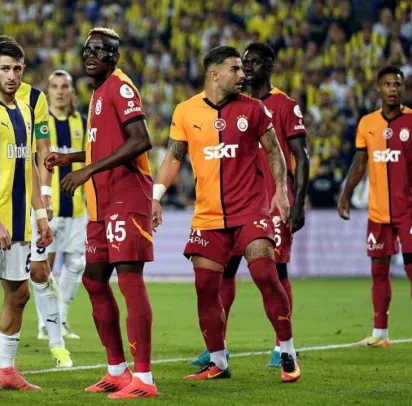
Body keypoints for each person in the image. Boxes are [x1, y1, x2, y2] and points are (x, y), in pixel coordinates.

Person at [151, 46, 301, 383]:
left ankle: (287, 351)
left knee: (266, 274)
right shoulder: (186, 111)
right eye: (235, 69)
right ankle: (218, 362)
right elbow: (173, 157)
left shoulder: (254, 109)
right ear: (214, 73)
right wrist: (155, 197)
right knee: (206, 288)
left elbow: (274, 151)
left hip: (250, 210)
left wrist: (280, 190)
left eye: (242, 69)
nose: (242, 74)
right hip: (208, 216)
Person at [46, 27, 158, 399]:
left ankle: (144, 378)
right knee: (94, 280)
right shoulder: (97, 92)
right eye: (87, 49)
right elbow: (106, 145)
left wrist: (87, 170)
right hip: (101, 204)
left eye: (100, 50)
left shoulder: (120, 87)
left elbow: (141, 140)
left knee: (129, 281)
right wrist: (73, 158)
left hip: (127, 197)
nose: (91, 55)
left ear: (114, 56)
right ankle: (117, 371)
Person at [0, 35, 72, 370]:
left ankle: (5, 370)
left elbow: (30, 166)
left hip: (19, 219)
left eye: (17, 69)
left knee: (19, 293)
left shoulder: (26, 109)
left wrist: (41, 215)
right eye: (5, 68)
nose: (11, 75)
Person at [191, 42, 310, 368]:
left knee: (275, 271)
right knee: (224, 273)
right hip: (234, 204)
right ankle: (218, 346)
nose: (248, 69)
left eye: (256, 63)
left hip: (271, 204)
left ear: (270, 66)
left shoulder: (285, 105)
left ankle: (282, 347)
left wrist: (297, 202)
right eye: (244, 63)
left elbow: (301, 156)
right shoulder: (229, 104)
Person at [337, 66, 412, 351]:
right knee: (378, 270)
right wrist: (346, 194)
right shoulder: (367, 123)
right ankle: (379, 332)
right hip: (378, 212)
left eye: (397, 84)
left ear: (403, 88)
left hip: (409, 209)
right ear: (378, 89)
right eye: (387, 84)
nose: (393, 89)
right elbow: (360, 163)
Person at [38, 69, 87, 340]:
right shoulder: (41, 122)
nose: (59, 91)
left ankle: (62, 318)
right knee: (44, 265)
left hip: (77, 207)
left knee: (77, 264)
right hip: (48, 207)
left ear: (71, 91)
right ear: (48, 91)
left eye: (64, 86)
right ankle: (45, 323)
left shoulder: (82, 122)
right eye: (54, 86)